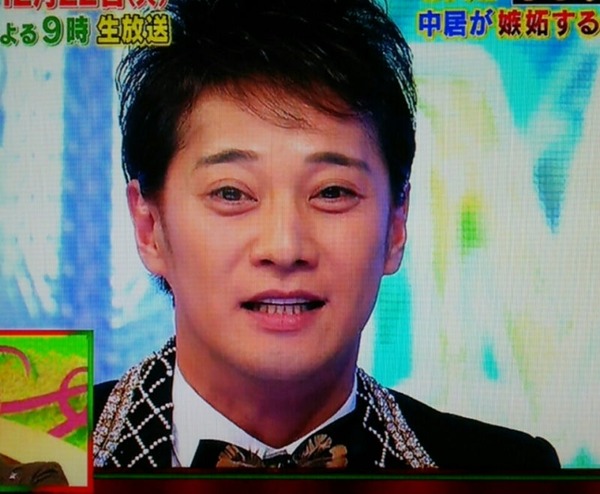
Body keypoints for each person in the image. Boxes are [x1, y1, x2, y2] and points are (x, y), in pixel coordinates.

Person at [93, 0, 560, 471]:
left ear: (396, 225)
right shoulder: (50, 447)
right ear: (150, 227)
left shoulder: (507, 470)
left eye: (332, 192)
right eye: (231, 193)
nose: (284, 248)